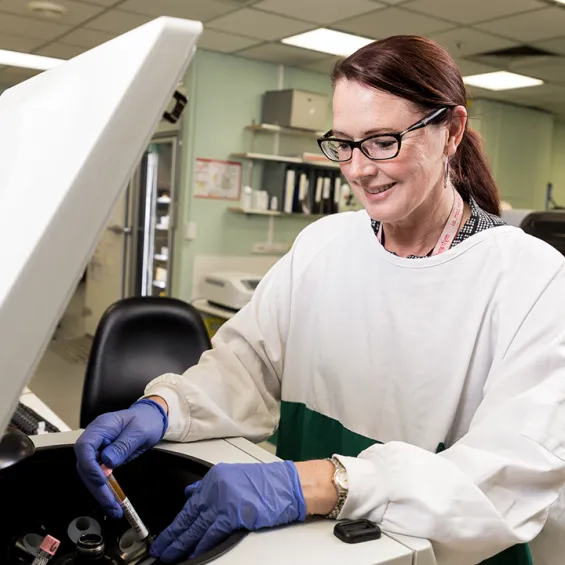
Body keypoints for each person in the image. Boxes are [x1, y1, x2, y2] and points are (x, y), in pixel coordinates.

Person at [75, 35, 565, 565]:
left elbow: (511, 473)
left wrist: (315, 483)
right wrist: (164, 407)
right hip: (309, 543)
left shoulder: (531, 278)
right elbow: (248, 366)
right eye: (345, 143)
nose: (357, 168)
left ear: (452, 131)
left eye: (382, 141)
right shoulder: (323, 243)